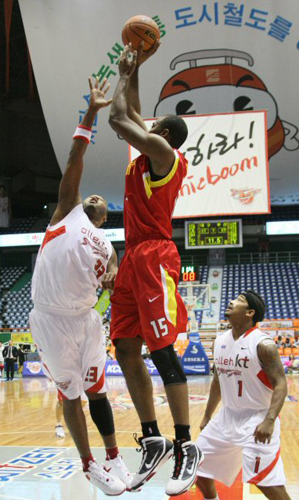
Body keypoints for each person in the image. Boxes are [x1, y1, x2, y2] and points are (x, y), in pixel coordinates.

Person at [108, 43, 203, 495]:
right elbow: (136, 115)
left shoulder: (166, 156)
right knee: (126, 348)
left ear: (164, 134)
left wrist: (123, 73)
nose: (149, 126)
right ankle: (152, 437)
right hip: (131, 259)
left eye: (156, 127)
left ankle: (186, 444)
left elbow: (119, 118)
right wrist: (138, 67)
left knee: (162, 351)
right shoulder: (146, 156)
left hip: (155, 257)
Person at [29, 77, 131, 496]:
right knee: (70, 395)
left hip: (87, 319)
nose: (93, 198)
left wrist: (112, 275)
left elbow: (111, 277)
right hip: (52, 319)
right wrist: (91, 111)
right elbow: (75, 155)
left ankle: (113, 456)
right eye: (89, 195)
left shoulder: (108, 244)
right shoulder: (66, 212)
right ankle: (89, 465)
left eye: (101, 201)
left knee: (98, 391)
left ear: (105, 218)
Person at [195, 290, 291, 500]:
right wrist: (207, 415)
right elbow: (218, 380)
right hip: (227, 417)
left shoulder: (263, 345)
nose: (231, 301)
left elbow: (281, 384)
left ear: (250, 312)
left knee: (267, 482)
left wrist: (269, 420)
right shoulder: (219, 341)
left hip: (258, 418)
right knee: (196, 463)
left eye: (239, 300)